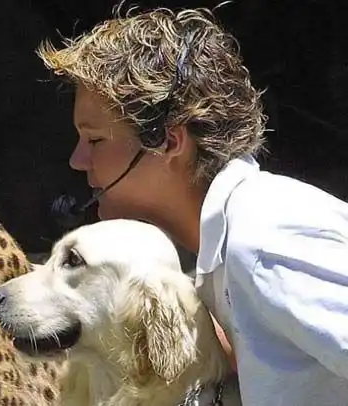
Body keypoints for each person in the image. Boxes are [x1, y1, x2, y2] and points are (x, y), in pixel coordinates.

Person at [36, 5, 348, 405]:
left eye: (95, 140)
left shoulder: (264, 242)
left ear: (169, 141)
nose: (77, 160)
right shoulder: (228, 256)